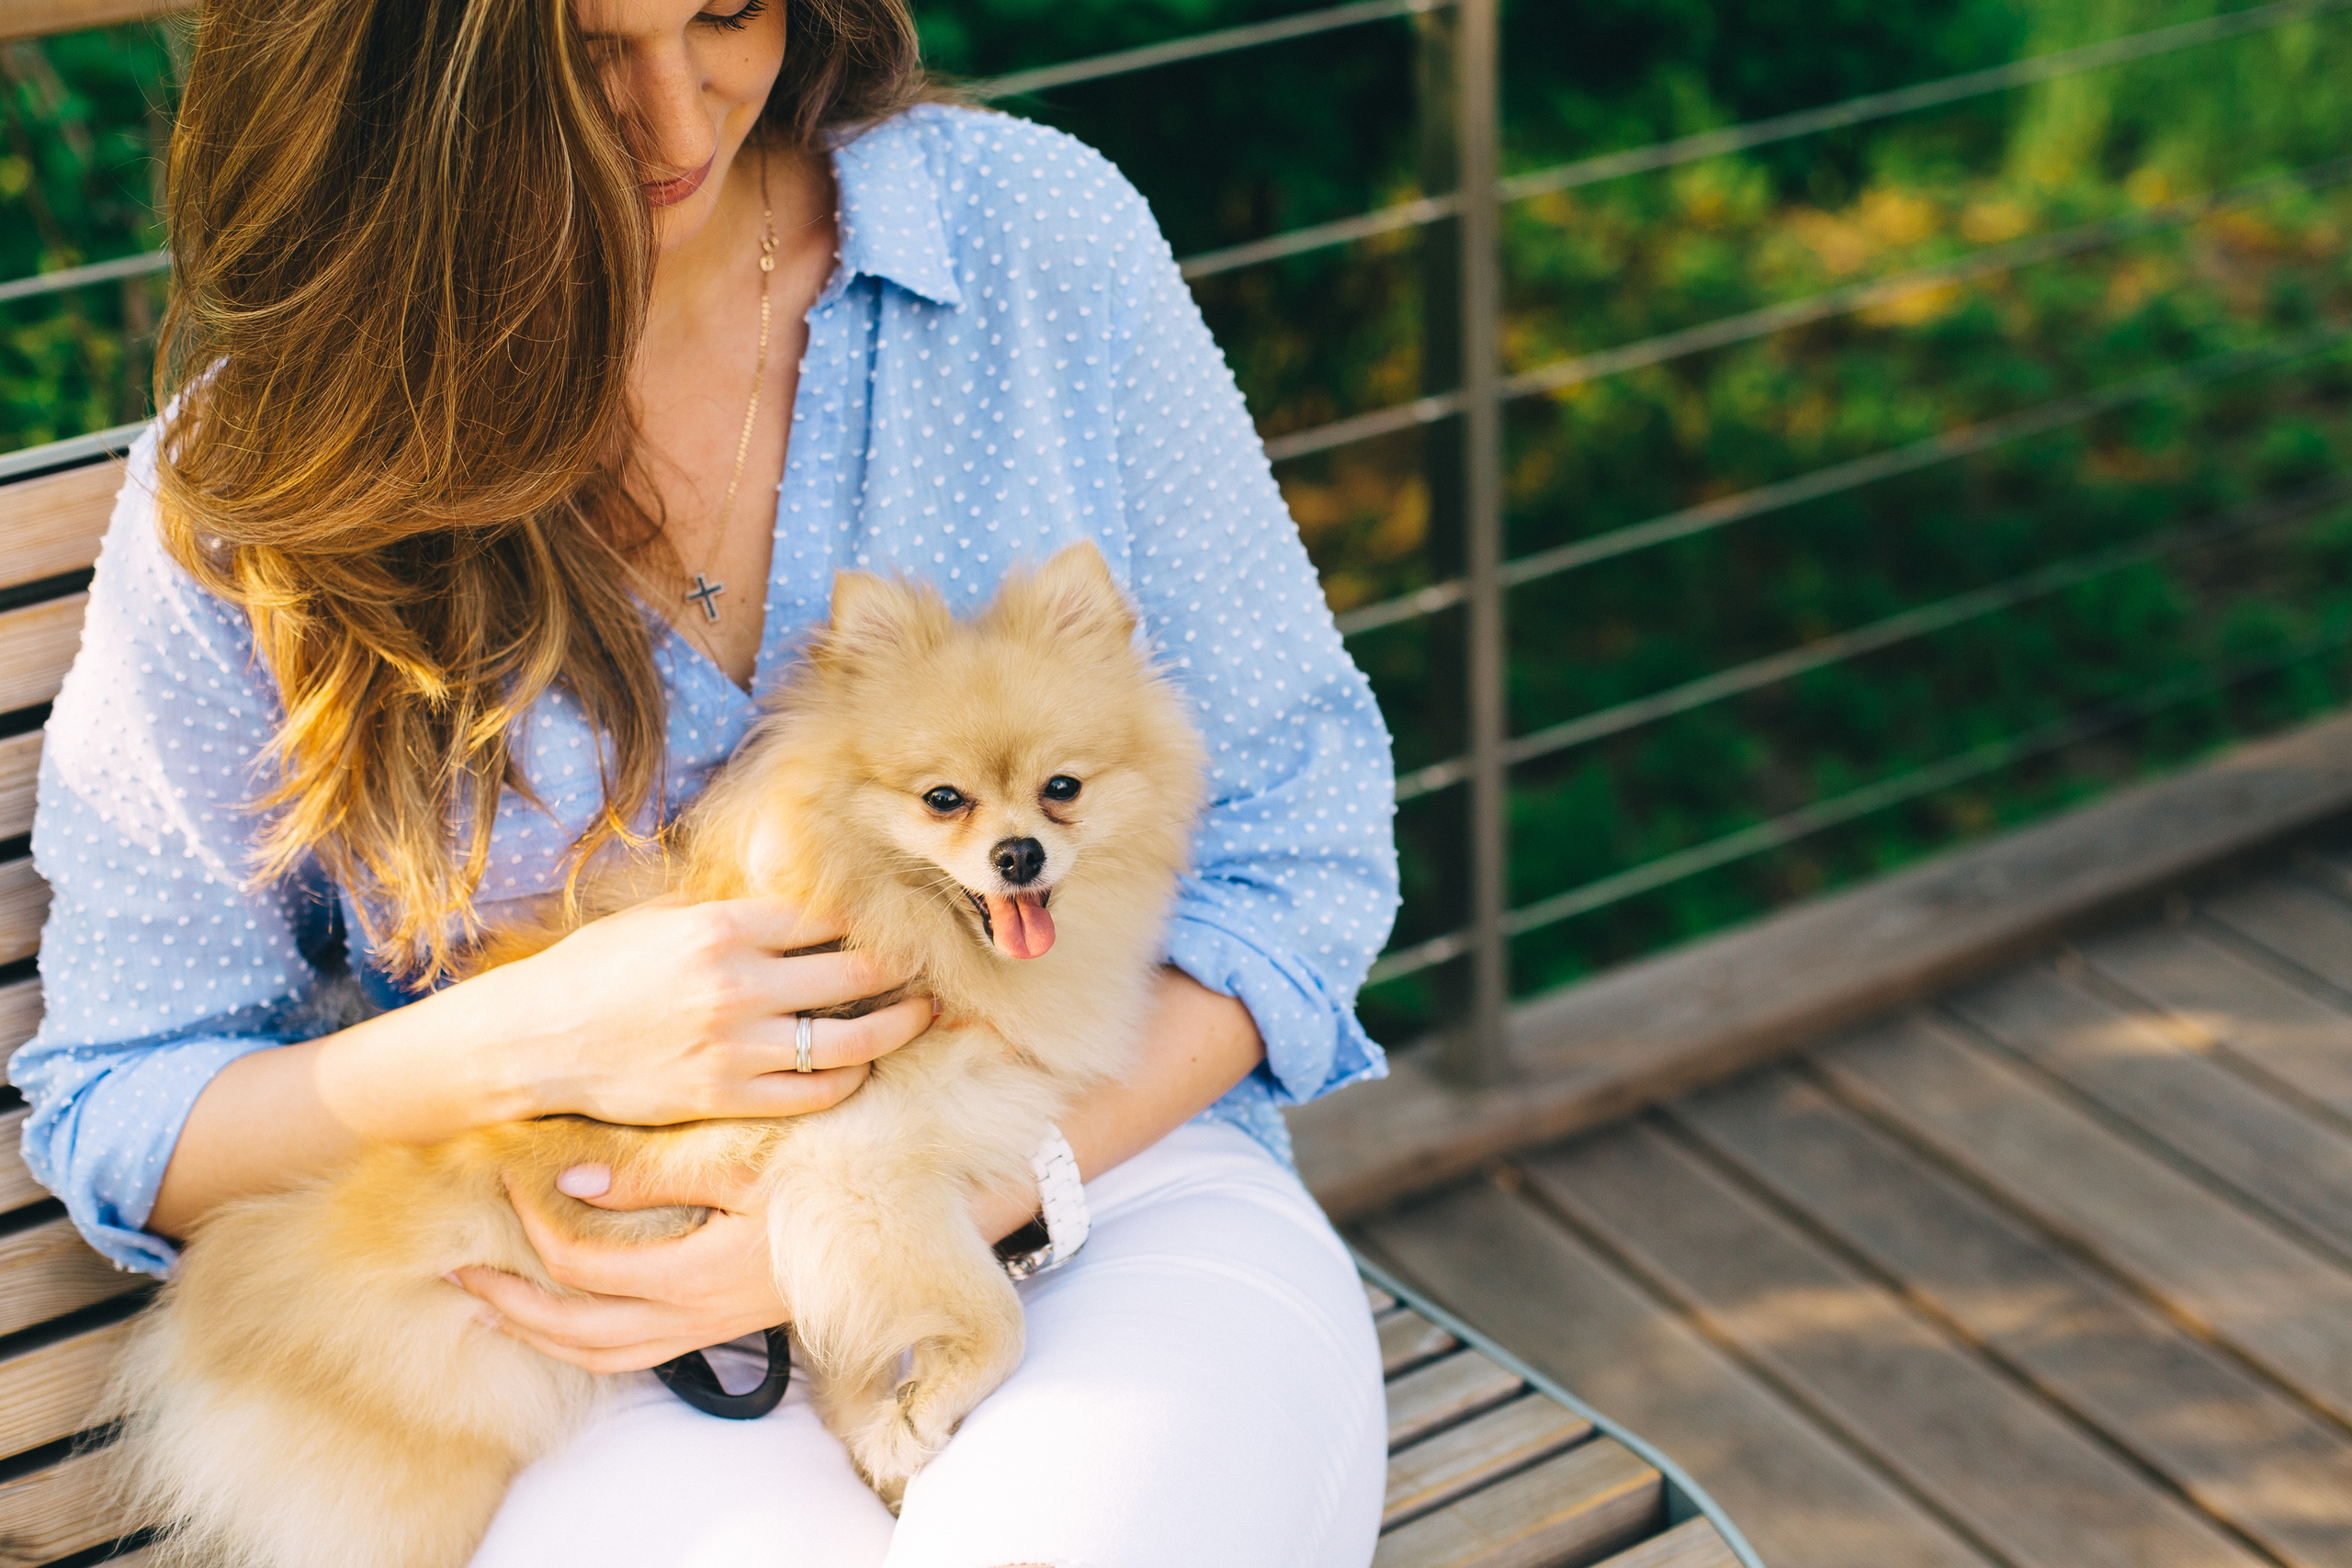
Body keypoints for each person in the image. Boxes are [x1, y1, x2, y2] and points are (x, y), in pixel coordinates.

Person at [10, 0, 1401, 1562]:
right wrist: (532, 1038)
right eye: (585, 51)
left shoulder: (1021, 241)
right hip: (606, 1329)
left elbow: (1300, 849)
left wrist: (919, 1206)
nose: (681, 122)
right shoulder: (271, 481)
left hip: (1090, 1183)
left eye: (725, 11)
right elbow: (128, 1107)